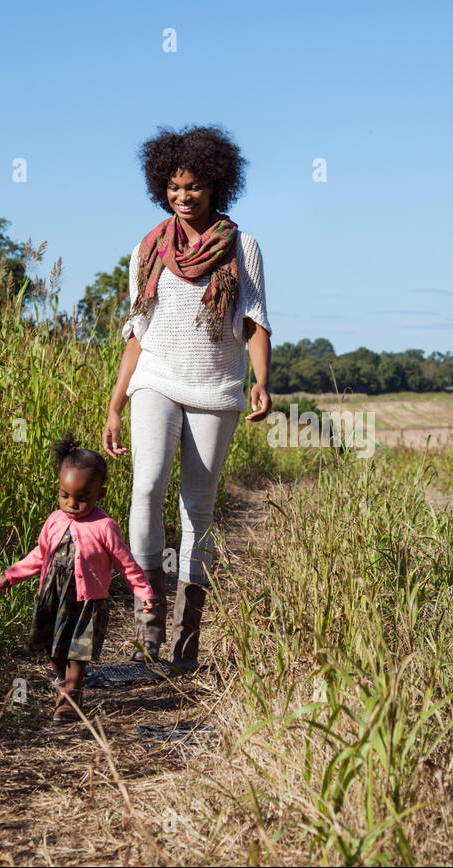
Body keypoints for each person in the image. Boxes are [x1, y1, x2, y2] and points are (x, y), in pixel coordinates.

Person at [103, 125, 271, 672]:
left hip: (217, 388)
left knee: (197, 509)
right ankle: (148, 618)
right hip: (155, 379)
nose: (183, 196)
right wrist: (117, 400)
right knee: (146, 487)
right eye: (174, 187)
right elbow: (138, 329)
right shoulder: (147, 249)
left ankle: (186, 637)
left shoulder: (241, 246)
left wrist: (261, 381)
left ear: (215, 185)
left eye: (194, 186)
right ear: (162, 188)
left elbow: (255, 321)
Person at [0, 432, 155, 722]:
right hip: (53, 596)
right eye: (64, 495)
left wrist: (144, 592)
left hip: (87, 601)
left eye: (82, 498)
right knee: (52, 647)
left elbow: (125, 563)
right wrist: (13, 574)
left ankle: (71, 695)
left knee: (77, 652)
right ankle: (64, 684)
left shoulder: (105, 526)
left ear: (99, 495)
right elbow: (40, 555)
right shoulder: (54, 521)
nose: (72, 504)